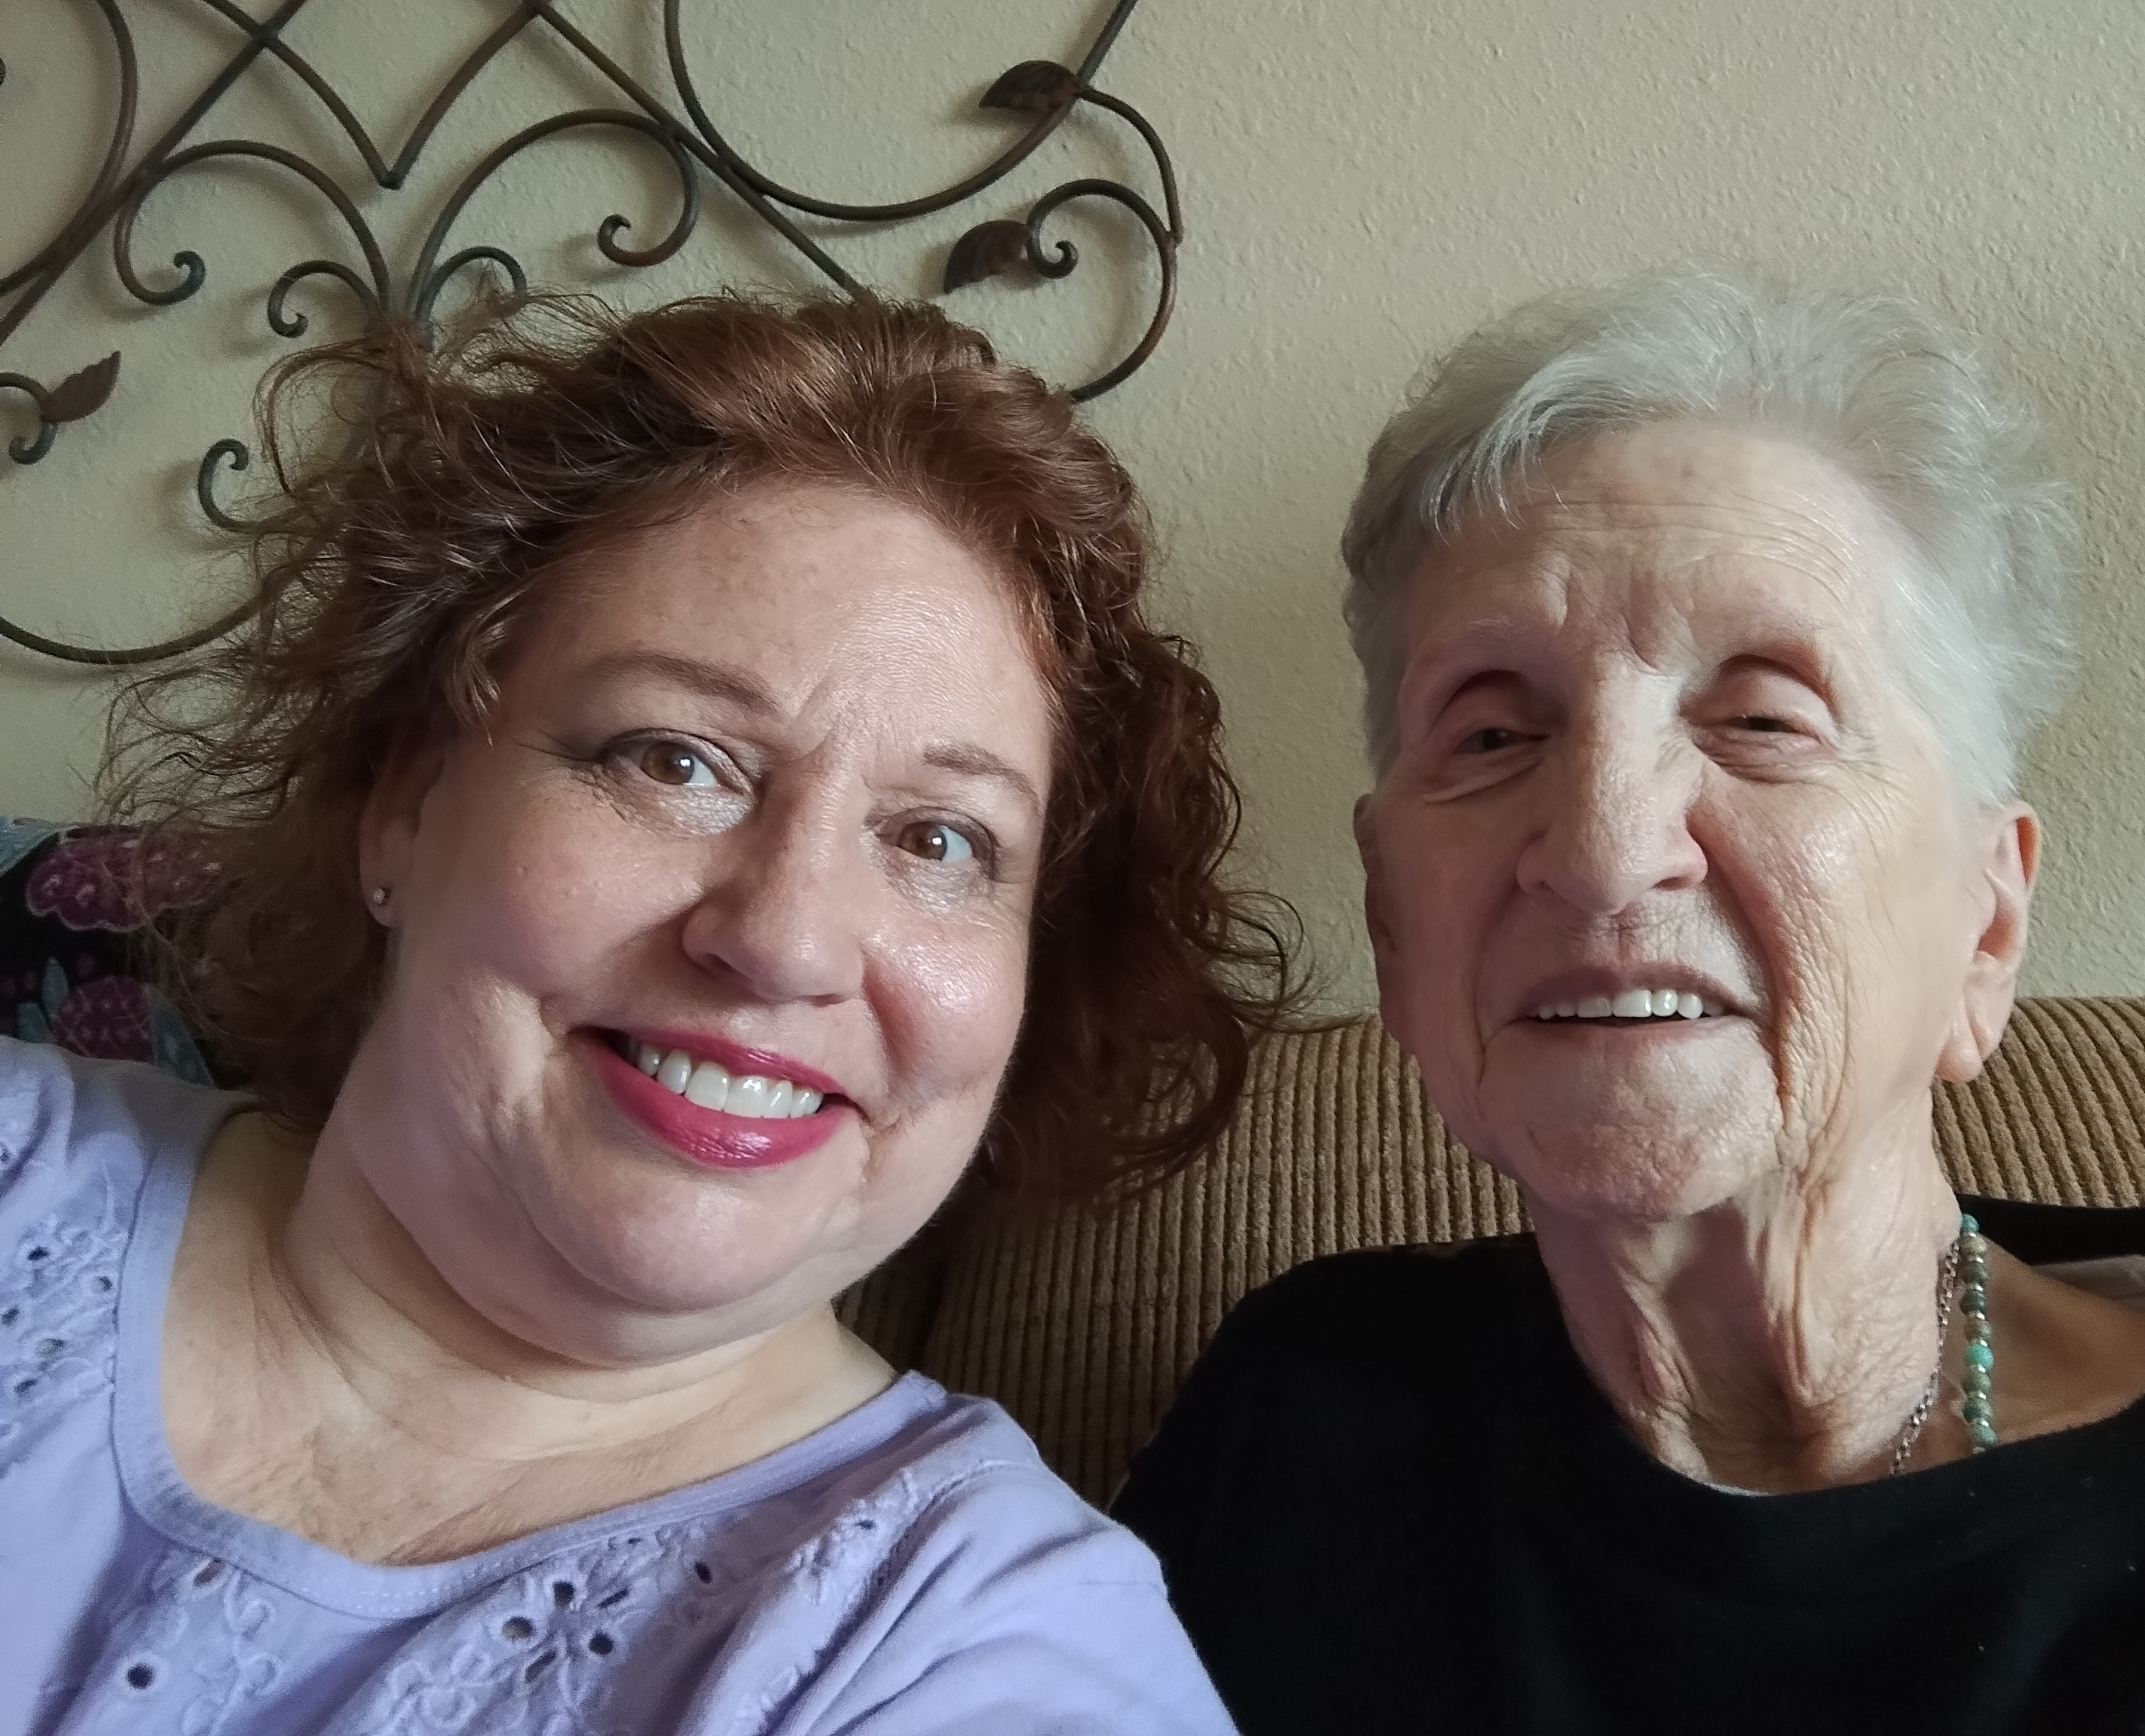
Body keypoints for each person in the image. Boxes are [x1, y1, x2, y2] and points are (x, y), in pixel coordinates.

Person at [1112, 271, 2145, 1734]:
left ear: (1986, 923)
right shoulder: (1304, 1424)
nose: (1604, 850)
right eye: (1491, 733)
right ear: (1394, 928)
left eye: (1763, 718)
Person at [0, 289, 1292, 1734]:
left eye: (940, 841)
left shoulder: (985, 1644)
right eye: (675, 761)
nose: (785, 940)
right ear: (405, 804)